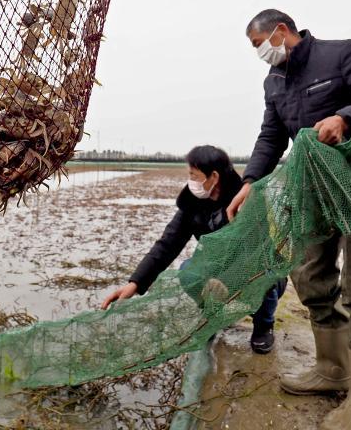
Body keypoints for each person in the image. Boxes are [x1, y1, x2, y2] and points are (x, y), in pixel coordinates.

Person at [226, 9, 351, 430]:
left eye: (258, 43)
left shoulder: (341, 55)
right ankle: (332, 368)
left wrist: (347, 119)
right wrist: (250, 181)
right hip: (314, 195)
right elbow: (272, 135)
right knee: (310, 277)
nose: (259, 53)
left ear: (280, 31)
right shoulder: (273, 81)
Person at [100, 144, 288, 354]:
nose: (190, 181)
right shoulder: (193, 204)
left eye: (193, 175)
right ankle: (213, 317)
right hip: (217, 269)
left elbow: (261, 250)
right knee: (189, 271)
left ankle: (263, 325)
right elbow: (167, 244)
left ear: (213, 177)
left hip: (257, 267)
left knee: (266, 275)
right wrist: (135, 284)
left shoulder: (246, 201)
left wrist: (228, 279)